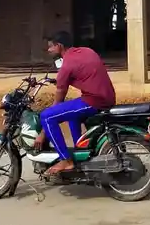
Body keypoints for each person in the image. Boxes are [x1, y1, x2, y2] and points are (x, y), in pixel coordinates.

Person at [34, 31, 116, 175]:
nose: (48, 50)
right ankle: (80, 152)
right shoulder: (87, 51)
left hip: (94, 101)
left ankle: (65, 160)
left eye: (51, 47)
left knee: (47, 116)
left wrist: (42, 133)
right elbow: (84, 73)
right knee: (72, 114)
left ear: (59, 46)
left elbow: (59, 100)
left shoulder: (67, 65)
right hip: (107, 97)